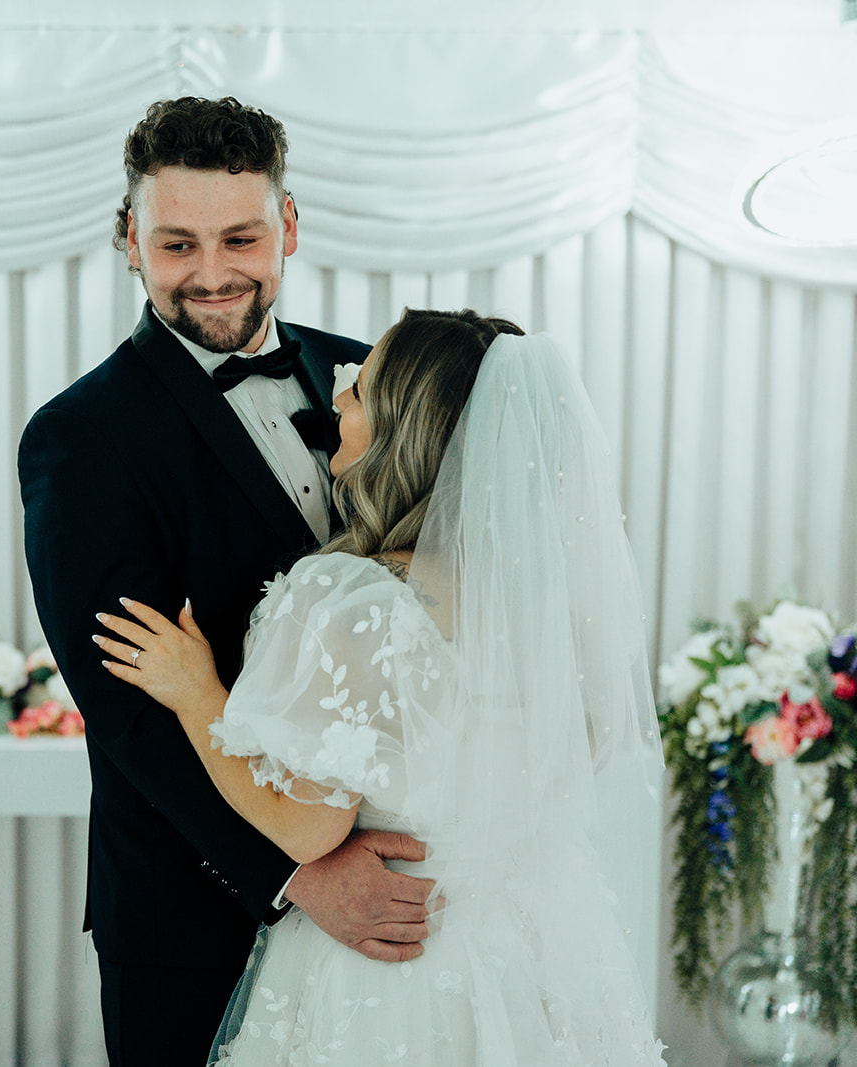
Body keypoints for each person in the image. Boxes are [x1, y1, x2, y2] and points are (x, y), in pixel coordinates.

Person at [96, 309, 668, 1065]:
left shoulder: (356, 602)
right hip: (534, 962)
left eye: (360, 390)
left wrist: (197, 691)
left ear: (407, 430)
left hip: (396, 967)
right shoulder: (550, 608)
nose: (334, 397)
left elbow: (307, 831)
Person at [19, 97, 438, 1064]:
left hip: (394, 898)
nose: (211, 274)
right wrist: (299, 876)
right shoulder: (80, 440)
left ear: (289, 225)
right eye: (176, 244)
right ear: (129, 240)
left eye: (241, 237)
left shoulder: (368, 378)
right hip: (190, 913)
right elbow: (125, 710)